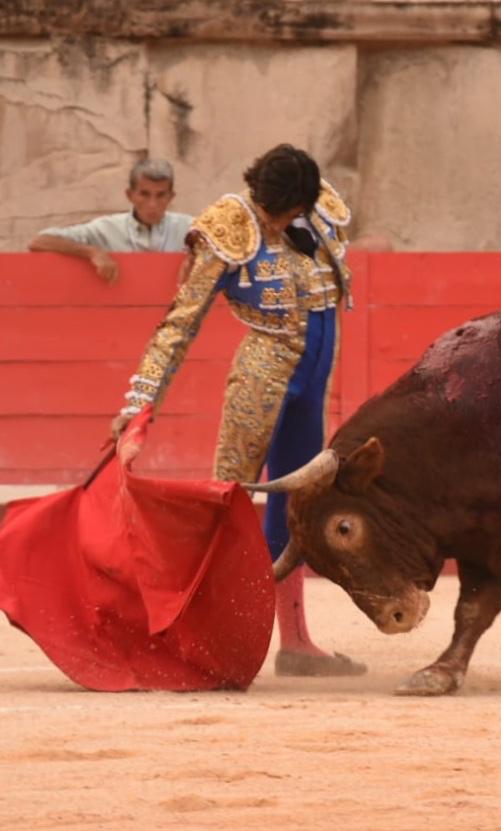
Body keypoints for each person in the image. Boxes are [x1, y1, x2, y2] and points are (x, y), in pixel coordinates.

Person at [110, 144, 366, 677]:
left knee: (296, 507)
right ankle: (199, 637)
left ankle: (295, 642)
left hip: (311, 382)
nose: (280, 223)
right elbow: (179, 324)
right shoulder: (228, 227)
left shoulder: (318, 212)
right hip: (262, 379)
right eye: (276, 213)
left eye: (289, 212)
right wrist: (139, 405)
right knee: (230, 504)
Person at [29, 159, 193, 284]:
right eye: (144, 194)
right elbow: (39, 241)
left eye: (160, 195)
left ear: (171, 197)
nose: (152, 204)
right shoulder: (106, 229)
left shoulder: (191, 227)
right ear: (130, 195)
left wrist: (199, 256)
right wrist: (92, 252)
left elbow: (218, 244)